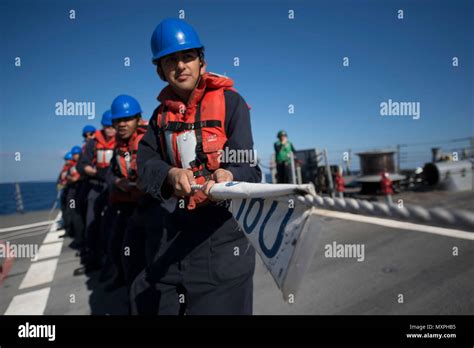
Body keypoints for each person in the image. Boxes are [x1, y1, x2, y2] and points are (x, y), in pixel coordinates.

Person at [131, 18, 261, 315]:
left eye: (187, 56)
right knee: (145, 297)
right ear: (160, 71)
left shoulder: (232, 102)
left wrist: (229, 175)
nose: (181, 65)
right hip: (173, 234)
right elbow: (145, 163)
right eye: (170, 60)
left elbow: (250, 166)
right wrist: (169, 174)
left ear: (201, 61)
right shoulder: (158, 118)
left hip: (223, 236)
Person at [104, 95, 147, 292]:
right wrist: (117, 182)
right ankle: (125, 281)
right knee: (117, 248)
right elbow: (110, 174)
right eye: (118, 120)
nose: (122, 124)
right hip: (126, 204)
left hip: (150, 204)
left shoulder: (149, 139)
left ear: (138, 119)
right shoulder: (118, 147)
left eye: (127, 119)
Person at [77, 111, 116, 272]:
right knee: (92, 222)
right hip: (97, 186)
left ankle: (111, 260)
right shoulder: (93, 143)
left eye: (112, 126)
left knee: (113, 225)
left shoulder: (123, 141)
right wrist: (96, 173)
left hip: (115, 187)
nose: (110, 130)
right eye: (107, 126)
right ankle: (94, 257)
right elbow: (82, 165)